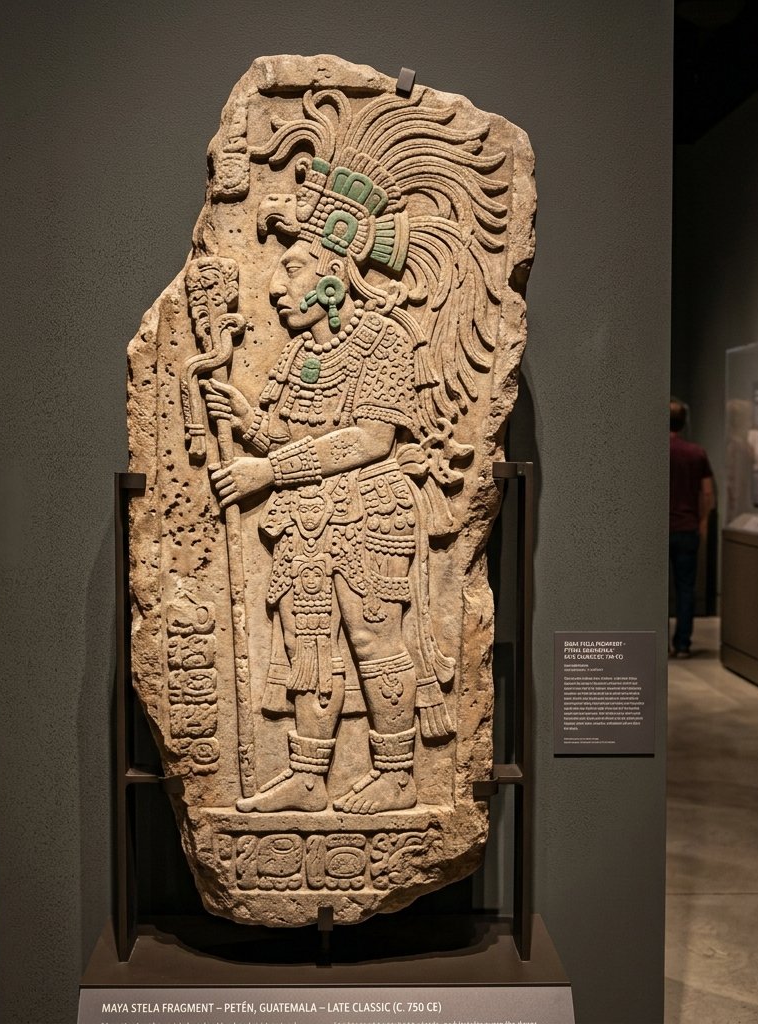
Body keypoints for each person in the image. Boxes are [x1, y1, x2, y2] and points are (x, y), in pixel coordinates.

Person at [200, 93, 505, 814]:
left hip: (369, 515)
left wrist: (268, 469)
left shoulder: (384, 341)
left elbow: (371, 440)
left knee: (372, 644)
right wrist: (250, 424)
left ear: (334, 277)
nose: (277, 284)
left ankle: (397, 773)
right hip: (305, 520)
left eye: (293, 268)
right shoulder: (296, 355)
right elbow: (295, 435)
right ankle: (310, 775)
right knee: (310, 647)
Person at [669, 398, 715, 657]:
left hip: (657, 531)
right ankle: (683, 644)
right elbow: (707, 492)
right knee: (686, 588)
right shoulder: (696, 453)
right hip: (687, 527)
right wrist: (703, 521)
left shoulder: (653, 451)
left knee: (654, 589)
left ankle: (657, 642)